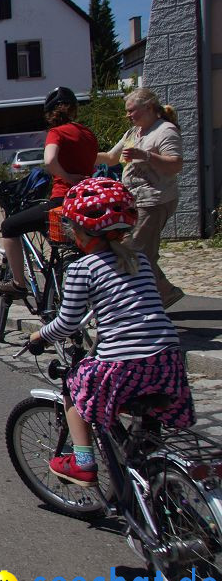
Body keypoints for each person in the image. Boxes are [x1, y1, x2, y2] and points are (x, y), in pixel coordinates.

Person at [24, 178, 194, 487]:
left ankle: (83, 463)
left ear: (79, 230)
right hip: (168, 361)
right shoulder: (138, 259)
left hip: (123, 365)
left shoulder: (81, 269)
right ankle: (149, 460)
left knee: (74, 390)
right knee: (144, 407)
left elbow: (68, 323)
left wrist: (39, 336)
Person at [0, 87, 98, 297]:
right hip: (86, 200)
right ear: (75, 110)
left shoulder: (56, 133)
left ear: (50, 114)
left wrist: (67, 177)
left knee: (9, 226)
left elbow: (50, 161)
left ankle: (18, 283)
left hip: (63, 200)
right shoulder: (88, 134)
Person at [95, 87, 185, 308]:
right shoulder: (133, 133)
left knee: (135, 250)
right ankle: (163, 293)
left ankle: (157, 296)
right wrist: (79, 154)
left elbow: (176, 164)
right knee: (135, 249)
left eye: (131, 110)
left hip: (155, 199)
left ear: (148, 107)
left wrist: (145, 156)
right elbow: (111, 158)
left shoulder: (165, 131)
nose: (128, 115)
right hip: (135, 200)